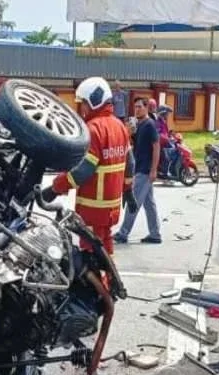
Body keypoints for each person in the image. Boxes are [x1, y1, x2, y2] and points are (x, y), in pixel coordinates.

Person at [41, 77, 134, 255]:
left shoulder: (93, 129)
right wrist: (128, 189)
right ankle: (109, 283)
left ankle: (102, 283)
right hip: (111, 207)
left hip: (93, 208)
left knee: (92, 256)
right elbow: (130, 162)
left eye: (84, 102)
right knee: (105, 253)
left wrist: (55, 188)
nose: (82, 108)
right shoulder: (119, 126)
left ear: (94, 100)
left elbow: (84, 170)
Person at [115, 97, 162, 245]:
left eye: (140, 107)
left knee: (133, 202)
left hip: (145, 170)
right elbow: (133, 145)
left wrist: (154, 170)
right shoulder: (139, 124)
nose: (137, 109)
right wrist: (129, 132)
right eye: (135, 107)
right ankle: (155, 234)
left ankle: (123, 233)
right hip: (139, 167)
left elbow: (156, 146)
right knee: (149, 203)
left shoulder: (149, 124)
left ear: (147, 108)